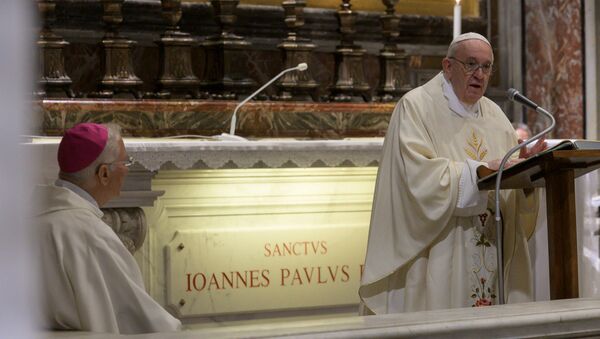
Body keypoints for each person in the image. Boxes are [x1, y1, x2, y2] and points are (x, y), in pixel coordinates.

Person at [359, 33, 545, 314]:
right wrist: (479, 172)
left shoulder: (496, 116)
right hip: (442, 250)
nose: (479, 75)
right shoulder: (416, 107)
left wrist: (527, 171)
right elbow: (415, 178)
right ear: (447, 66)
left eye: (486, 67)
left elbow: (510, 182)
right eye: (471, 64)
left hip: (491, 249)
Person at [36, 123, 182, 334]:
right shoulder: (89, 235)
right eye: (126, 162)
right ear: (104, 174)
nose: (127, 170)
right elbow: (140, 319)